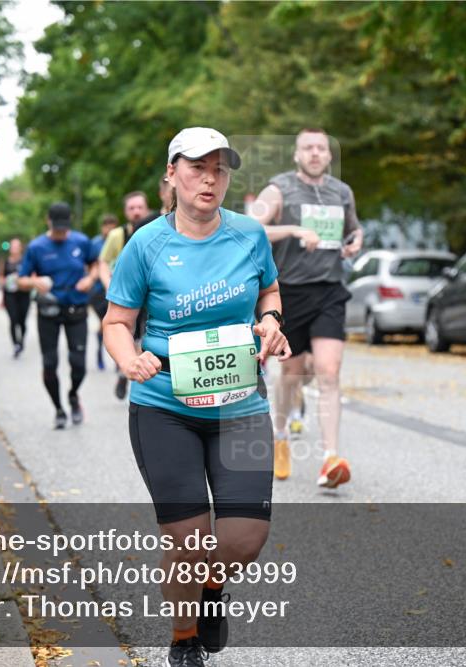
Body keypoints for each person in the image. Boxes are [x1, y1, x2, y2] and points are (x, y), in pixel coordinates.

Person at [103, 127, 289, 667]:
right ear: (171, 174)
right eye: (196, 168)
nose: (209, 179)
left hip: (241, 408)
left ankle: (211, 592)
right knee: (187, 537)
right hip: (165, 410)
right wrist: (128, 358)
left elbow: (269, 289)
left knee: (243, 541)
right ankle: (184, 640)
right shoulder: (146, 244)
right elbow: (117, 321)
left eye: (219, 169)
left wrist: (270, 321)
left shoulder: (249, 235)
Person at [250, 128, 363, 487]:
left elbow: (354, 231)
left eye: (321, 148)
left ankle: (330, 458)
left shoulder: (341, 192)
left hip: (329, 290)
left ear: (329, 155)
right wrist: (295, 231)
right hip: (290, 293)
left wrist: (353, 243)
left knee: (329, 372)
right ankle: (280, 433)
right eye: (308, 148)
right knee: (292, 374)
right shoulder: (279, 188)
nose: (315, 153)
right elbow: (249, 228)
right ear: (297, 154)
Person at [16, 202, 100, 429]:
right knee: (50, 363)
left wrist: (90, 279)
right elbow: (20, 280)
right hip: (49, 312)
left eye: (64, 228)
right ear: (48, 222)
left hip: (77, 309)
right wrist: (35, 281)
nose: (61, 233)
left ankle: (73, 395)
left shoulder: (81, 242)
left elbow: (95, 265)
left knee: (78, 363)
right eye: (57, 228)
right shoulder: (36, 247)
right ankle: (59, 409)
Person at [99, 191, 154, 400]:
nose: (137, 212)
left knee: (144, 337)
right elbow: (103, 262)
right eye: (132, 208)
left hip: (149, 295)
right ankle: (128, 368)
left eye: (140, 207)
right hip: (126, 296)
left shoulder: (155, 230)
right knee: (126, 333)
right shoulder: (117, 235)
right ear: (125, 212)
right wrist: (109, 286)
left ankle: (130, 372)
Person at [89, 214, 119, 371]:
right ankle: (100, 352)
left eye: (112, 226)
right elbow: (90, 265)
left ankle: (117, 359)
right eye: (107, 226)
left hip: (116, 290)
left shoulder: (120, 240)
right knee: (106, 323)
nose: (110, 229)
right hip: (98, 291)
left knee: (116, 324)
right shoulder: (95, 244)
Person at [0, 238, 30, 358]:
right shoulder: (5, 262)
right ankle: (15, 344)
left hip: (23, 293)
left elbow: (31, 275)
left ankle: (21, 340)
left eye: (16, 246)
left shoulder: (26, 261)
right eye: (12, 246)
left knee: (22, 321)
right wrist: (5, 282)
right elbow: (1, 277)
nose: (14, 248)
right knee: (13, 319)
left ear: (20, 248)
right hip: (10, 294)